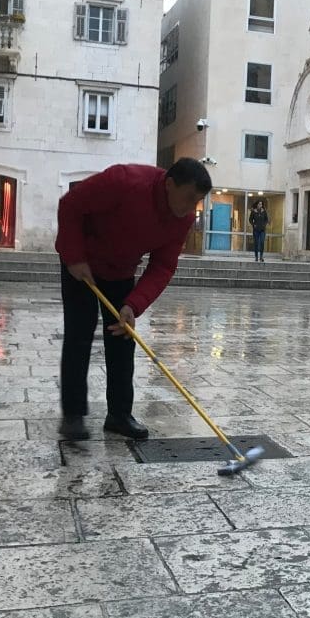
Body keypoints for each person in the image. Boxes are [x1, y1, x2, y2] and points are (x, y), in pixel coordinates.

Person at [55, 158, 212, 440]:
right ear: (170, 184)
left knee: (122, 337)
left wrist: (134, 304)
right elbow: (70, 205)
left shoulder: (183, 219)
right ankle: (73, 415)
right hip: (82, 264)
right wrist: (74, 257)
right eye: (189, 197)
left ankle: (119, 415)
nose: (192, 208)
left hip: (121, 271)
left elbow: (163, 265)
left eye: (197, 201)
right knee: (80, 333)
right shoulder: (124, 181)